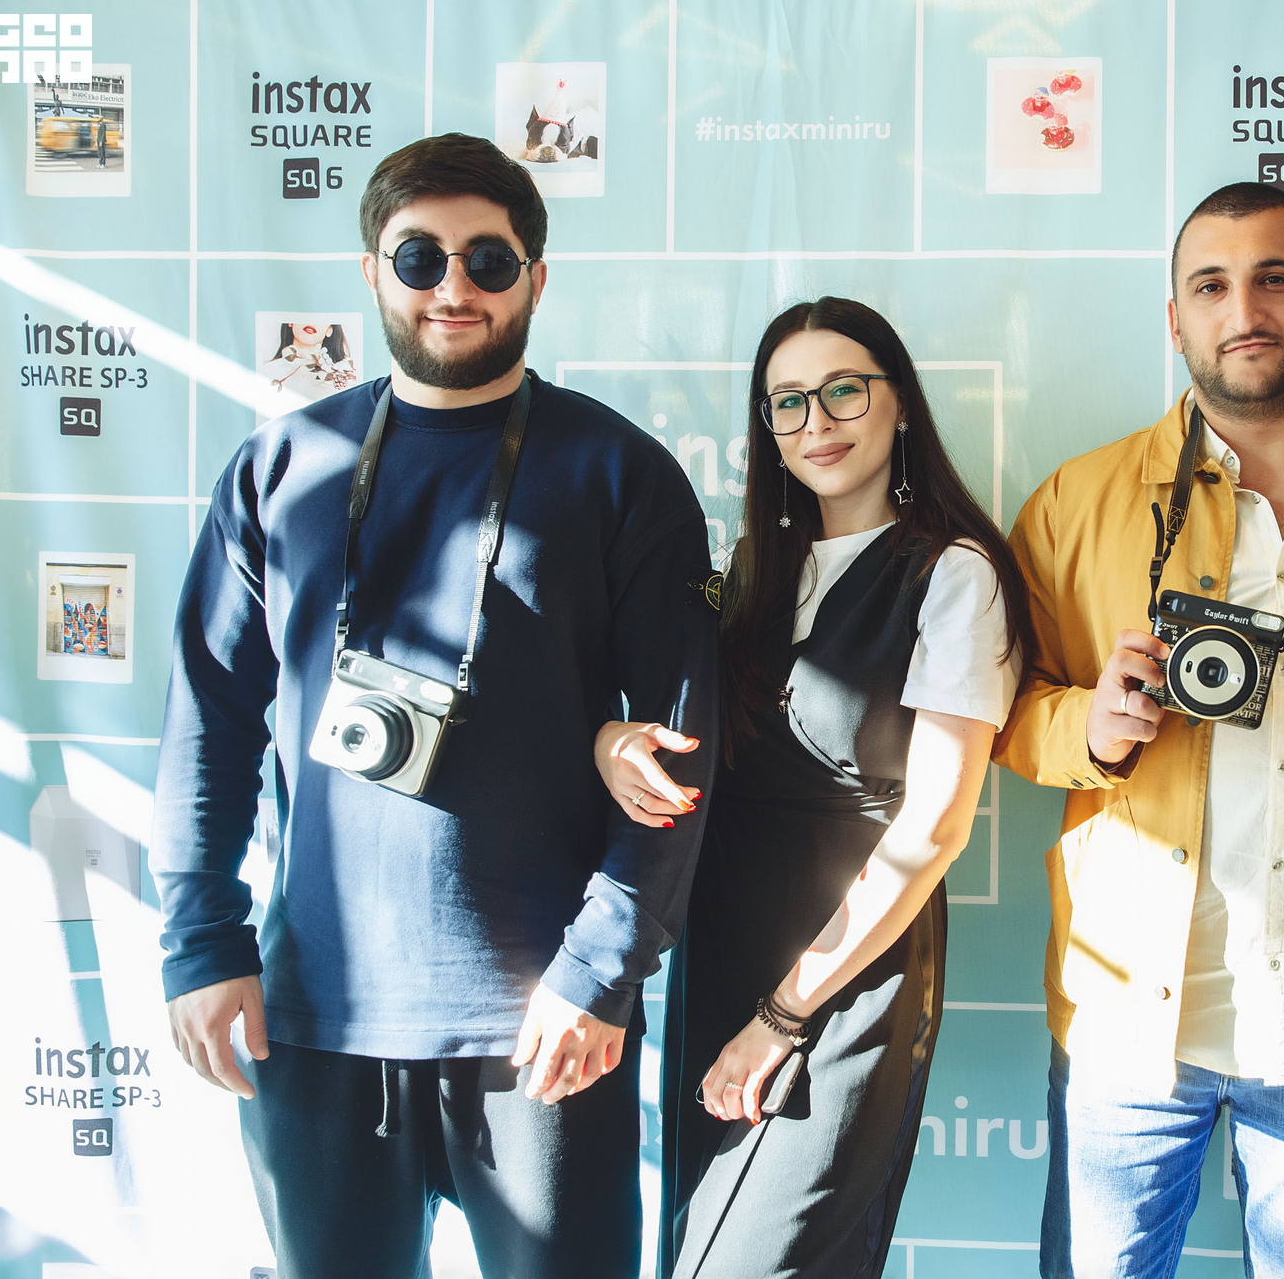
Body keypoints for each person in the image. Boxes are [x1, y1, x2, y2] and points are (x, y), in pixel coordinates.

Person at [150, 133, 719, 1278]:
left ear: (535, 279)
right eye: (420, 257)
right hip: (317, 1019)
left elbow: (681, 749)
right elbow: (209, 721)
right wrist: (202, 940)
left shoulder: (620, 473)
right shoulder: (280, 470)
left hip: (545, 1021)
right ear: (373, 271)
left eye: (487, 260)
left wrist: (602, 969)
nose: (453, 286)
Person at [995, 181, 1284, 1278]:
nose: (1246, 311)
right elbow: (1002, 712)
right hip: (1130, 1023)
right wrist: (1090, 726)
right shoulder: (1079, 501)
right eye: (1212, 287)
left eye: (1275, 279)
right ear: (1175, 319)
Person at [600, 296, 1031, 1278]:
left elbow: (934, 827)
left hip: (846, 973)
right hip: (719, 949)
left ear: (901, 403)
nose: (816, 422)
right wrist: (611, 739)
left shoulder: (956, 573)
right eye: (787, 402)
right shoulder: (758, 568)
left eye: (843, 390)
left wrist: (784, 1014)